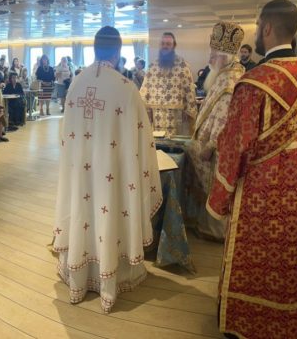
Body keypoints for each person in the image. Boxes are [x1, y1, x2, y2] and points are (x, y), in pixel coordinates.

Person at [207, 0, 297, 339]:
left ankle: (243, 323)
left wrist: (220, 197)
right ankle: (279, 325)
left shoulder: (254, 82)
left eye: (257, 25)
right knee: (283, 256)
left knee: (249, 253)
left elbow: (234, 145)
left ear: (267, 28)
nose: (256, 31)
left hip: (258, 187)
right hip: (293, 181)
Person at [54, 26, 162, 313]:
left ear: (94, 49)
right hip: (112, 174)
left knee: (82, 213)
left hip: (80, 171)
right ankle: (111, 277)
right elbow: (142, 140)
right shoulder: (125, 88)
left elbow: (65, 136)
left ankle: (78, 275)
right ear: (117, 51)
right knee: (110, 212)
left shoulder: (77, 83)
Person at [185, 21, 245, 242]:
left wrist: (210, 145)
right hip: (209, 145)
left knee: (213, 187)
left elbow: (227, 119)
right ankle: (203, 224)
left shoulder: (230, 79)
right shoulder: (226, 73)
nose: (209, 58)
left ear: (222, 56)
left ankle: (212, 231)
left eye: (212, 53)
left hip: (215, 151)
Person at [140, 32, 197, 136]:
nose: (165, 46)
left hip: (176, 115)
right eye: (163, 43)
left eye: (168, 44)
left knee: (175, 142)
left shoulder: (182, 66)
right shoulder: (152, 67)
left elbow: (190, 90)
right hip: (156, 115)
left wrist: (190, 111)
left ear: (174, 46)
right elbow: (145, 90)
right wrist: (144, 110)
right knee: (158, 142)